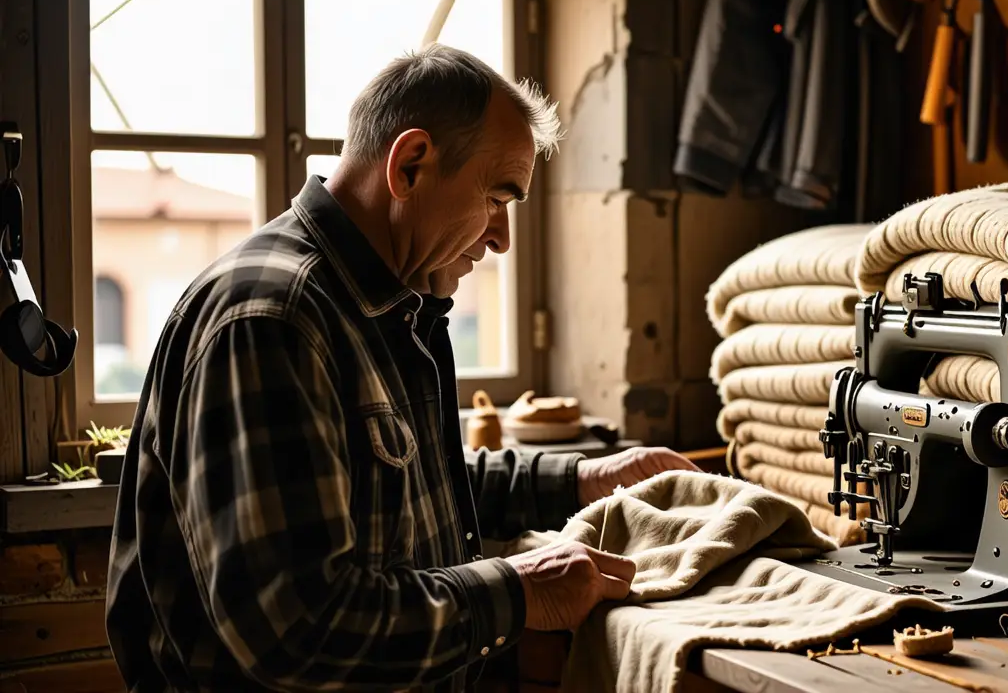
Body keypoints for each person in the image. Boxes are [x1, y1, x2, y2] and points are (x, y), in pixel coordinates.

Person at [105, 44, 699, 692]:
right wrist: (520, 592)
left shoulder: (390, 303)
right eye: (499, 197)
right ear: (410, 165)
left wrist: (584, 477)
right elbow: (299, 632)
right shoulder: (274, 320)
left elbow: (408, 484)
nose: (502, 238)